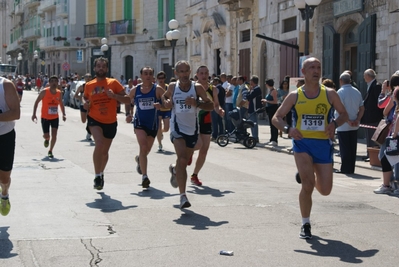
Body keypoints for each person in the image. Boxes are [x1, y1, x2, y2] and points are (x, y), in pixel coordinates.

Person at [272, 57, 348, 239]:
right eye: (312, 67)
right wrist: (288, 129)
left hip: (323, 145)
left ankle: (306, 174)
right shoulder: (295, 95)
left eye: (319, 67)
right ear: (303, 72)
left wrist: (334, 125)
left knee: (325, 190)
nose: (316, 71)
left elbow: (344, 114)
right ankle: (305, 223)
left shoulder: (330, 94)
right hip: (302, 143)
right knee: (308, 185)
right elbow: (277, 117)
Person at [161, 61, 214, 209]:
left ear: (190, 72)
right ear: (176, 73)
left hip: (192, 130)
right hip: (177, 128)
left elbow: (211, 105)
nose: (184, 74)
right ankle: (183, 196)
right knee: (183, 159)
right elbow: (164, 98)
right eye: (181, 72)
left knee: (182, 161)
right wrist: (167, 102)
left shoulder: (196, 88)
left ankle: (174, 169)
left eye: (186, 71)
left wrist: (196, 103)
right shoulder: (172, 87)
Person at [83, 57, 130, 190]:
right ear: (94, 68)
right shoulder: (89, 85)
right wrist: (84, 103)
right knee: (99, 143)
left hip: (110, 121)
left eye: (103, 66)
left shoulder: (113, 83)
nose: (101, 68)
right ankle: (97, 175)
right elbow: (85, 98)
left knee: (104, 152)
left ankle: (101, 172)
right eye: (98, 66)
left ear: (107, 69)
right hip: (94, 119)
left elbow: (127, 99)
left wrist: (115, 96)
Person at [124, 67, 164, 188]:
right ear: (141, 75)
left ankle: (140, 161)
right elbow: (127, 101)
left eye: (150, 74)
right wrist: (128, 114)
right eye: (145, 73)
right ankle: (145, 177)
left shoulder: (157, 89)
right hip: (140, 123)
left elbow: (167, 101)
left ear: (153, 76)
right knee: (143, 146)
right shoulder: (135, 90)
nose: (148, 76)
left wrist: (161, 106)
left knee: (146, 151)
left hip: (153, 124)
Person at [190, 65, 224, 187]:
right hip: (192, 119)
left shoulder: (212, 89)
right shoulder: (191, 87)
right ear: (197, 74)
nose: (204, 76)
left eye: (206, 73)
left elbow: (216, 105)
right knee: (197, 145)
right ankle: (188, 153)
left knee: (204, 149)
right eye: (201, 73)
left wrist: (220, 110)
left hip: (206, 119)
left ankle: (194, 175)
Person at [374, 73, 399, 195]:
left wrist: (384, 92)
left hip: (393, 131)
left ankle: (389, 184)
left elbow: (383, 108)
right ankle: (391, 183)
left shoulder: (394, 95)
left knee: (385, 157)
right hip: (393, 130)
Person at [335, 72, 364, 174]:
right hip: (354, 124)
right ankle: (351, 168)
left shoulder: (340, 92)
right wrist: (357, 119)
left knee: (344, 147)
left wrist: (347, 120)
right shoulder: (357, 92)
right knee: (352, 147)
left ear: (341, 81)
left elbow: (340, 110)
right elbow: (362, 108)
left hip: (343, 124)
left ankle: (345, 168)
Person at [32, 75, 67, 158]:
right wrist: (34, 114)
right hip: (45, 117)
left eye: (56, 81)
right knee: (47, 135)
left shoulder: (59, 93)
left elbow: (61, 104)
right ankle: (47, 139)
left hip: (55, 117)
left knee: (54, 135)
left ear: (58, 83)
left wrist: (64, 114)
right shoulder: (44, 92)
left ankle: (50, 150)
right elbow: (36, 102)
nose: (54, 83)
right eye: (52, 81)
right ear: (49, 83)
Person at [0, 77, 20, 216]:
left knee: (4, 178)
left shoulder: (6, 85)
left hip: (5, 135)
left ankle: (4, 194)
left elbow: (15, 113)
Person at [361, 69, 383, 162]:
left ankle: (372, 155)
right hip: (368, 116)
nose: (364, 78)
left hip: (373, 116)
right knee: (368, 136)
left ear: (368, 76)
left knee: (372, 136)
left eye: (365, 76)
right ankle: (368, 153)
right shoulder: (370, 85)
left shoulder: (376, 86)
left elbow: (377, 102)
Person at [74, 73, 93, 141]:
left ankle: (89, 133)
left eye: (89, 77)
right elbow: (75, 95)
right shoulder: (82, 86)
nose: (88, 78)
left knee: (90, 119)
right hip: (83, 105)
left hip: (91, 105)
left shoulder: (93, 86)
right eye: (87, 77)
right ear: (84, 78)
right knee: (83, 120)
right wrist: (82, 98)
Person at [155, 71, 171, 152]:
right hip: (158, 110)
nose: (161, 80)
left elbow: (171, 97)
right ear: (157, 79)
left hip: (166, 110)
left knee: (167, 128)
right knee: (158, 127)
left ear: (165, 78)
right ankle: (160, 144)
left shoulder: (168, 87)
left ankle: (161, 132)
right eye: (159, 78)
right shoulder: (155, 88)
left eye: (162, 78)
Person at [262, 79, 279, 146]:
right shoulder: (270, 91)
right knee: (271, 124)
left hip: (273, 108)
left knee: (274, 124)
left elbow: (275, 101)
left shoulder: (274, 91)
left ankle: (275, 139)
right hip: (269, 108)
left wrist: (266, 101)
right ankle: (272, 138)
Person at [247, 75, 262, 143]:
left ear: (253, 81)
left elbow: (249, 97)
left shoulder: (257, 89)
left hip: (254, 108)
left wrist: (249, 91)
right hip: (251, 108)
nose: (250, 82)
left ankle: (255, 137)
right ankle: (254, 136)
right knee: (251, 123)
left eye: (250, 80)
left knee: (254, 123)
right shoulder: (253, 89)